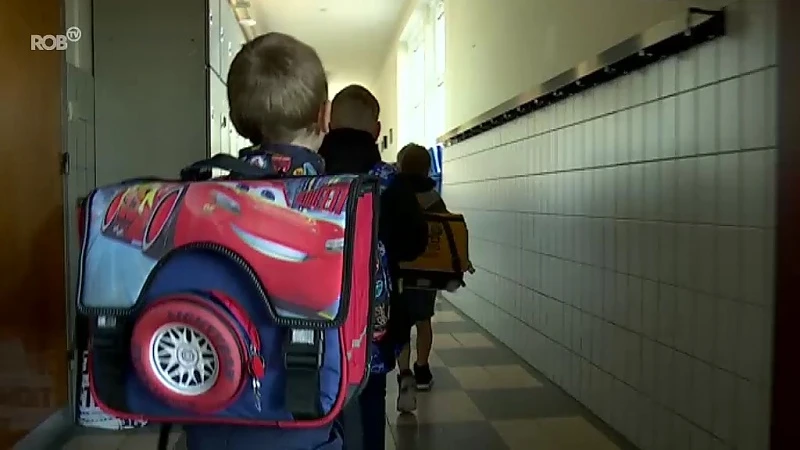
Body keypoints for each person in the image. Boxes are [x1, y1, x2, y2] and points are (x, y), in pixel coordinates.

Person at [180, 32, 338, 450]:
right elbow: (373, 322)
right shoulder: (341, 207)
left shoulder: (202, 202)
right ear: (325, 116)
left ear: (236, 119)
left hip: (209, 405)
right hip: (301, 412)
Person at [318, 85, 428, 450]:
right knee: (368, 405)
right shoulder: (390, 181)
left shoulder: (311, 173)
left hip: (311, 324)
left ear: (328, 122)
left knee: (317, 405)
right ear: (377, 130)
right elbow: (416, 242)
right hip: (372, 330)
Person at [394, 143, 448, 400]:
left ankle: (404, 372)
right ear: (427, 169)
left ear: (400, 166)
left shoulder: (393, 194)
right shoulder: (434, 198)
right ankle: (422, 369)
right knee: (424, 321)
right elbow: (447, 233)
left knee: (401, 323)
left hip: (400, 272)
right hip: (427, 271)